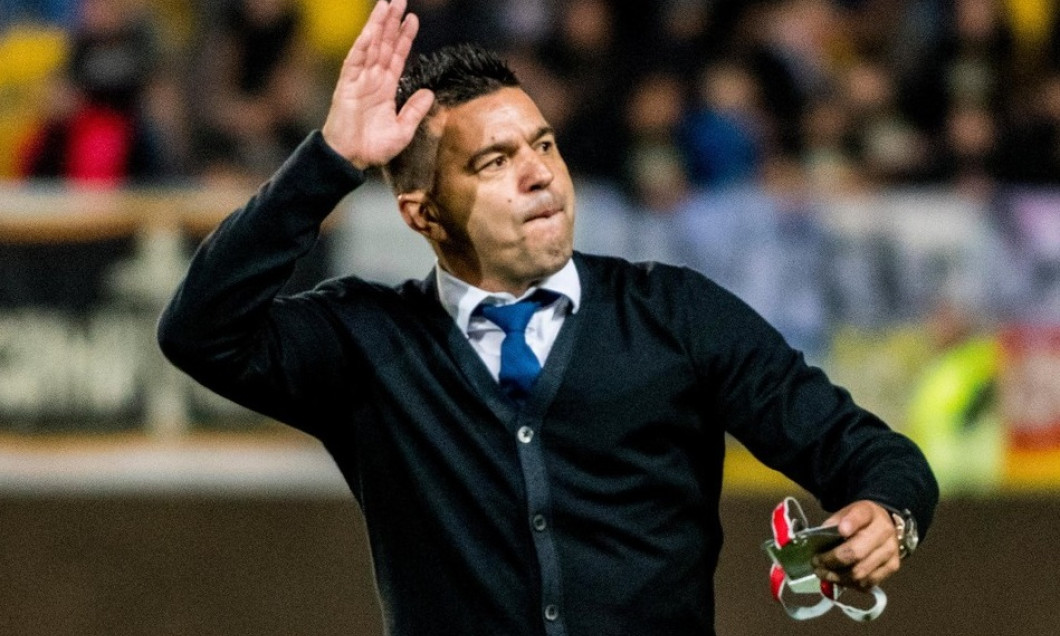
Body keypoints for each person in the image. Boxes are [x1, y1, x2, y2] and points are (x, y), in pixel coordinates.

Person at [157, 1, 938, 634]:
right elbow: (199, 331)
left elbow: (870, 454)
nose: (538, 175)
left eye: (545, 145)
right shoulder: (367, 342)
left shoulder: (676, 313)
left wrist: (887, 515)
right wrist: (329, 161)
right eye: (494, 162)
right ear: (422, 213)